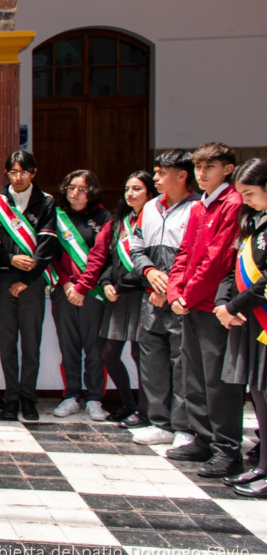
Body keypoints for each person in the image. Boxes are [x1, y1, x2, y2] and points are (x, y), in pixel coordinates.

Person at [166, 142, 244, 478]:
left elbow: (218, 259)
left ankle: (227, 449)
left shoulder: (233, 204)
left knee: (218, 380)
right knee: (193, 375)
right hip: (189, 303)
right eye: (198, 167)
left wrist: (189, 294)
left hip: (213, 306)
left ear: (227, 169)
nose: (201, 173)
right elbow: (184, 253)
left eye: (209, 167)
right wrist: (174, 291)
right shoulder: (199, 206)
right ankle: (203, 437)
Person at [127, 150, 200, 447]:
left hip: (182, 298)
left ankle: (184, 426)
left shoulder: (198, 207)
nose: (155, 178)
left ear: (182, 175)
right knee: (152, 359)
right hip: (152, 294)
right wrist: (150, 273)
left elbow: (196, 255)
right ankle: (159, 422)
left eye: (161, 173)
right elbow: (136, 248)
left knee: (182, 361)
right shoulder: (151, 207)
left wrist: (169, 289)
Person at [0, 150, 59, 421]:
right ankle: (11, 396)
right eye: (13, 172)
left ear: (34, 172)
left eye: (24, 172)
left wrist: (28, 279)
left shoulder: (47, 202)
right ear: (6, 173)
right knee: (7, 343)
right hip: (3, 278)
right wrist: (10, 258)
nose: (18, 178)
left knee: (31, 342)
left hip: (33, 280)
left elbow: (48, 243)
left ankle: (28, 398)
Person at [215, 158, 267, 497]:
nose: (245, 200)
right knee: (259, 397)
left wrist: (234, 306)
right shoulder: (254, 221)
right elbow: (233, 267)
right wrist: (223, 304)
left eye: (249, 193)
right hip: (250, 321)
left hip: (261, 319)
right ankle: (262, 466)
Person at [50, 170, 112, 420]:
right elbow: (51, 255)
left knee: (95, 348)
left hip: (92, 293)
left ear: (92, 192)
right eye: (71, 188)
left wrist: (82, 287)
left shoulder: (103, 217)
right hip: (64, 292)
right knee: (69, 347)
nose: (75, 193)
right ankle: (71, 395)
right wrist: (66, 285)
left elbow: (100, 256)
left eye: (82, 189)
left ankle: (95, 398)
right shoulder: (56, 217)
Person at [96, 172, 156, 425]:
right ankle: (128, 403)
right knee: (108, 353)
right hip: (118, 296)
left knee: (140, 355)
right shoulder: (121, 221)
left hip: (141, 295)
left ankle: (147, 409)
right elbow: (113, 258)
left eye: (137, 189)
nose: (130, 194)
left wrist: (120, 286)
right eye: (127, 189)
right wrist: (107, 282)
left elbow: (148, 262)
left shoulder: (153, 219)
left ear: (150, 193)